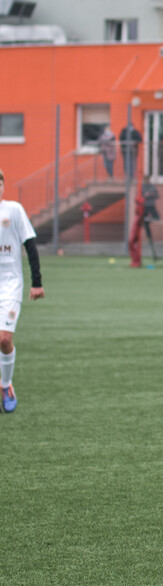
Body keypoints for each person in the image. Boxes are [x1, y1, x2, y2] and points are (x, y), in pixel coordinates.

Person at [0, 169, 46, 413]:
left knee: (4, 339)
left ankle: (6, 385)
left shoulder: (14, 210)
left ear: (3, 186)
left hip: (10, 285)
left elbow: (30, 245)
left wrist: (36, 282)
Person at [141, 178, 160, 257]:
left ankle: (151, 218)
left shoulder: (153, 187)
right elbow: (140, 196)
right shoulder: (142, 187)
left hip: (151, 205)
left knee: (157, 216)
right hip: (145, 207)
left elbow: (157, 195)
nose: (146, 181)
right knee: (146, 224)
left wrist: (151, 195)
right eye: (145, 180)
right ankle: (149, 237)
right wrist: (145, 196)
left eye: (147, 180)